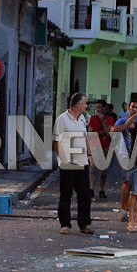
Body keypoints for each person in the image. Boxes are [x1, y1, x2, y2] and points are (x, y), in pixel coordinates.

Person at [54, 93, 93, 235]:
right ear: (78, 104)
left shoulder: (82, 119)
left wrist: (89, 154)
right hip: (68, 162)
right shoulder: (62, 119)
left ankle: (84, 224)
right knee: (66, 194)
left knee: (85, 194)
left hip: (82, 161)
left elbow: (85, 138)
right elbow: (56, 141)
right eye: (84, 103)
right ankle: (65, 224)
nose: (86, 106)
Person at [112, 100, 137, 222]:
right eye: (133, 107)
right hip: (126, 154)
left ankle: (133, 210)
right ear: (128, 108)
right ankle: (124, 209)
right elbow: (113, 130)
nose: (135, 109)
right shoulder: (122, 120)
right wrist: (126, 125)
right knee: (127, 182)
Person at [87, 100, 114, 199]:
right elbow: (90, 133)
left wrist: (102, 122)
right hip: (95, 146)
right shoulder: (93, 118)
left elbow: (109, 134)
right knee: (92, 169)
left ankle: (101, 189)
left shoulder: (110, 119)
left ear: (105, 108)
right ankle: (91, 189)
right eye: (97, 107)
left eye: (100, 107)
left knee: (104, 171)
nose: (98, 109)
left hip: (106, 147)